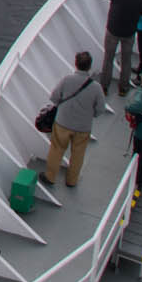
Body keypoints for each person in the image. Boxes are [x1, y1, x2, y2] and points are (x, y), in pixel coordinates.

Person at [43, 51, 108, 189]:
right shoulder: (96, 87)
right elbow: (100, 109)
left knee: (56, 150)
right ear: (89, 66)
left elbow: (54, 97)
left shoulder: (67, 80)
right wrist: (90, 115)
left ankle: (50, 177)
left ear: (76, 64)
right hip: (83, 127)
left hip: (63, 123)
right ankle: (72, 181)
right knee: (78, 154)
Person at [91, 0, 142, 96]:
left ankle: (104, 87)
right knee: (126, 60)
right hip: (129, 32)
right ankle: (123, 88)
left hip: (113, 31)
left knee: (108, 58)